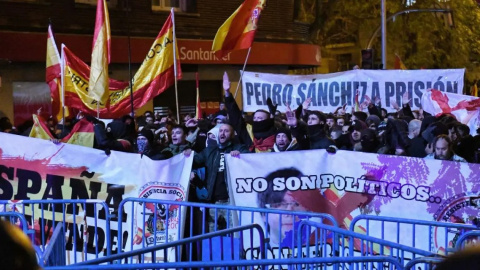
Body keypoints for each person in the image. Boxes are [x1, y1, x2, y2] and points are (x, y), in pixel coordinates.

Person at [185, 123, 250, 231]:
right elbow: (194, 161)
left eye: (226, 131)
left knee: (233, 235)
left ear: (233, 134)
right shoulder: (209, 151)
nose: (222, 133)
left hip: (231, 202)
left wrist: (241, 155)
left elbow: (250, 160)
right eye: (220, 131)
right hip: (213, 202)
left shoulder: (239, 148)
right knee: (213, 237)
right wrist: (188, 154)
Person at [223, 72, 276, 153]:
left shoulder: (276, 134)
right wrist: (227, 93)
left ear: (268, 120)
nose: (256, 120)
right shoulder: (248, 131)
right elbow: (236, 117)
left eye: (260, 118)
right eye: (255, 118)